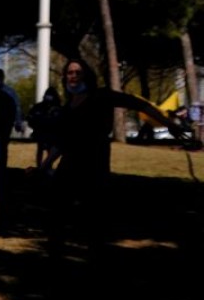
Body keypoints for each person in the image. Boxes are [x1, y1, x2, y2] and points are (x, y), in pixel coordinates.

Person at [39, 58, 189, 255]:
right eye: (69, 73)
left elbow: (139, 104)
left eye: (77, 72)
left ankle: (96, 255)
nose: (73, 76)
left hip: (94, 164)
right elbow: (62, 142)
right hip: (69, 166)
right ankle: (56, 254)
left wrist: (169, 124)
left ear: (87, 75)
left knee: (94, 213)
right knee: (58, 210)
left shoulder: (101, 96)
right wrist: (45, 164)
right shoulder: (68, 106)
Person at [26, 86, 61, 169]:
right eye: (47, 94)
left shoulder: (57, 108)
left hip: (52, 134)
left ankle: (47, 167)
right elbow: (30, 118)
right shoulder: (39, 107)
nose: (48, 97)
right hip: (40, 133)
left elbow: (59, 121)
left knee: (50, 151)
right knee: (40, 149)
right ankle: (40, 167)